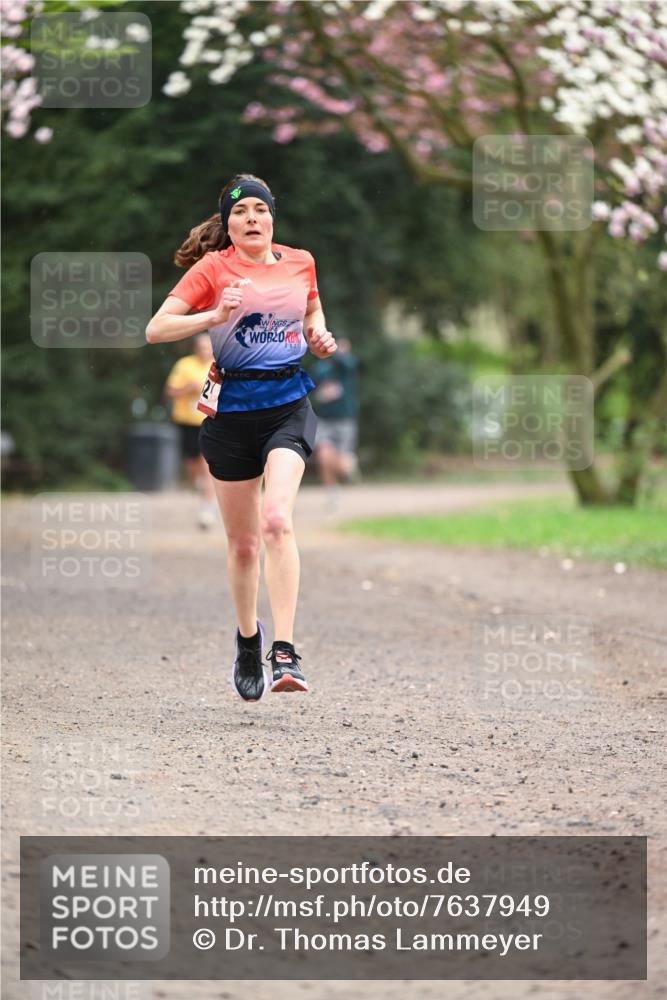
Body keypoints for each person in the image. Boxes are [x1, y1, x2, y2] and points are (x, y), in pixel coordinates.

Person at [146, 173, 336, 701]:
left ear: (272, 218)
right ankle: (248, 640)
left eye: (260, 209)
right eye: (240, 212)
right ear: (227, 225)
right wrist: (215, 314)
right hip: (230, 415)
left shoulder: (301, 261)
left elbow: (313, 308)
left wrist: (319, 335)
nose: (252, 218)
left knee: (277, 519)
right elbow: (156, 329)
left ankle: (285, 650)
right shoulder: (213, 269)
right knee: (244, 545)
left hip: (288, 407)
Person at [163, 332, 218, 529]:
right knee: (192, 464)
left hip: (209, 421)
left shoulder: (219, 366)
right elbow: (169, 392)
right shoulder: (184, 365)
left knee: (206, 463)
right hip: (186, 422)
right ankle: (201, 487)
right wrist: (187, 388)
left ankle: (208, 508)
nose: (205, 350)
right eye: (201, 347)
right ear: (195, 348)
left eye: (208, 346)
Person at [311, 337, 359, 505]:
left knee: (342, 465)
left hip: (344, 420)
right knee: (323, 456)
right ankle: (331, 490)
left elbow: (347, 364)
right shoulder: (320, 368)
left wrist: (340, 353)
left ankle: (348, 467)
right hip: (325, 420)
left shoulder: (346, 365)